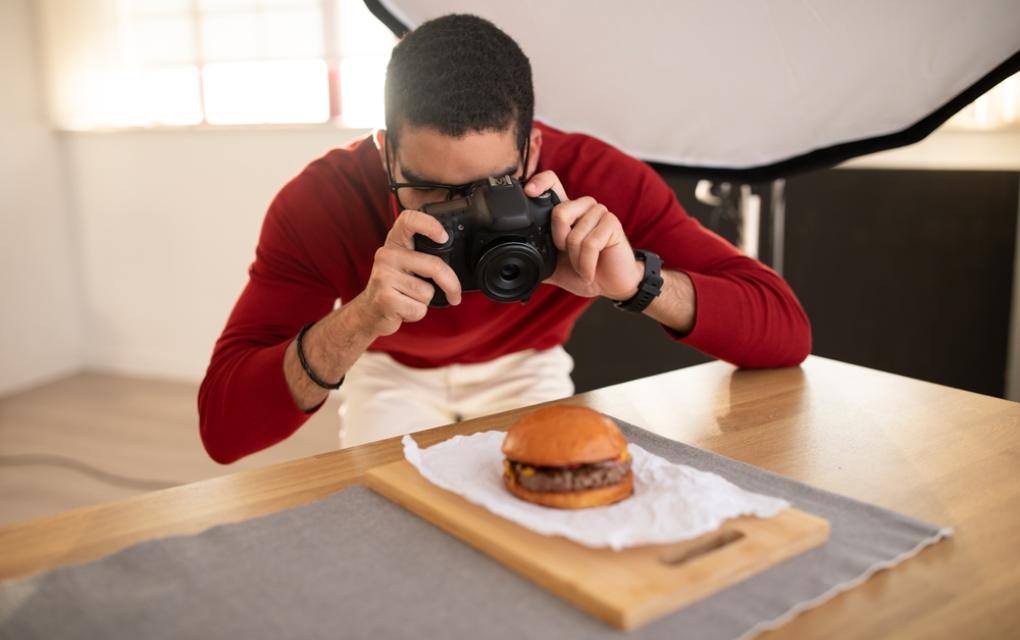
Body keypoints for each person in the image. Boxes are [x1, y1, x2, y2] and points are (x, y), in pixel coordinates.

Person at [198, 14, 811, 464]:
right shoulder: (321, 202)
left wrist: (638, 284)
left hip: (527, 365)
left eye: (495, 186)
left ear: (534, 149)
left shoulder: (595, 180)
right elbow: (223, 432)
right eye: (433, 191)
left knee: (546, 505)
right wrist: (359, 320)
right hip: (389, 367)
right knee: (393, 523)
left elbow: (787, 330)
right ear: (385, 155)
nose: (465, 212)